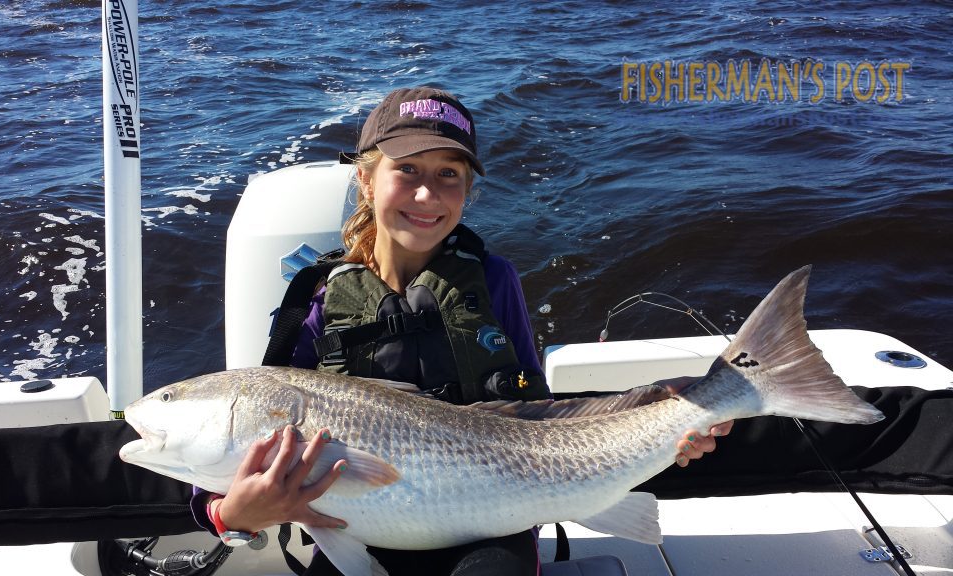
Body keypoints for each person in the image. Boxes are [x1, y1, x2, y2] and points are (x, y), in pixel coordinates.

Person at [191, 86, 732, 575]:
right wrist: (230, 513)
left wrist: (656, 409)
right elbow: (243, 437)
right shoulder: (316, 300)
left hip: (491, 523)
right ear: (364, 176)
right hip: (354, 531)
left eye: (449, 174)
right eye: (408, 170)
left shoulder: (493, 280)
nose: (428, 195)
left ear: (467, 188)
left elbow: (537, 411)